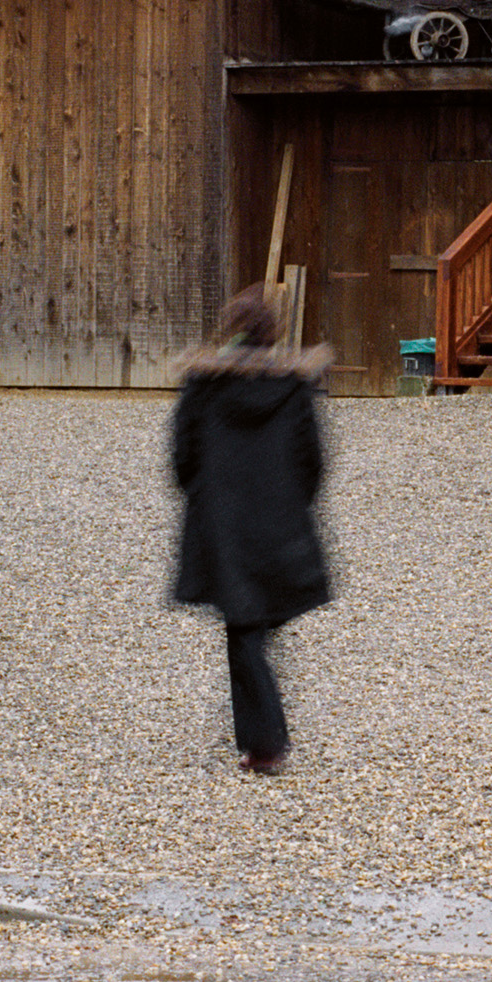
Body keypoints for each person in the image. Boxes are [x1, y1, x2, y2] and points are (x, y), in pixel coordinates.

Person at [164, 286, 330, 774]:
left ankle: (265, 744)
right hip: (279, 520)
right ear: (271, 333)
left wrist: (204, 497)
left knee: (245, 629)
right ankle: (261, 738)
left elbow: (182, 456)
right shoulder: (294, 387)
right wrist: (292, 502)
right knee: (254, 625)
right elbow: (313, 460)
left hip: (225, 522)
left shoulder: (203, 385)